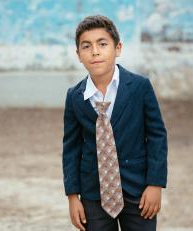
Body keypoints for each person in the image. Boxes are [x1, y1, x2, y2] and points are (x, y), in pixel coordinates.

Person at [62, 15, 168, 231]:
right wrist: (73, 196)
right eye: (86, 46)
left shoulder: (139, 87)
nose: (95, 51)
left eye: (102, 44)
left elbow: (157, 135)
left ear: (117, 48)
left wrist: (155, 184)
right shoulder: (74, 96)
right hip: (93, 195)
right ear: (78, 55)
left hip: (138, 192)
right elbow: (71, 149)